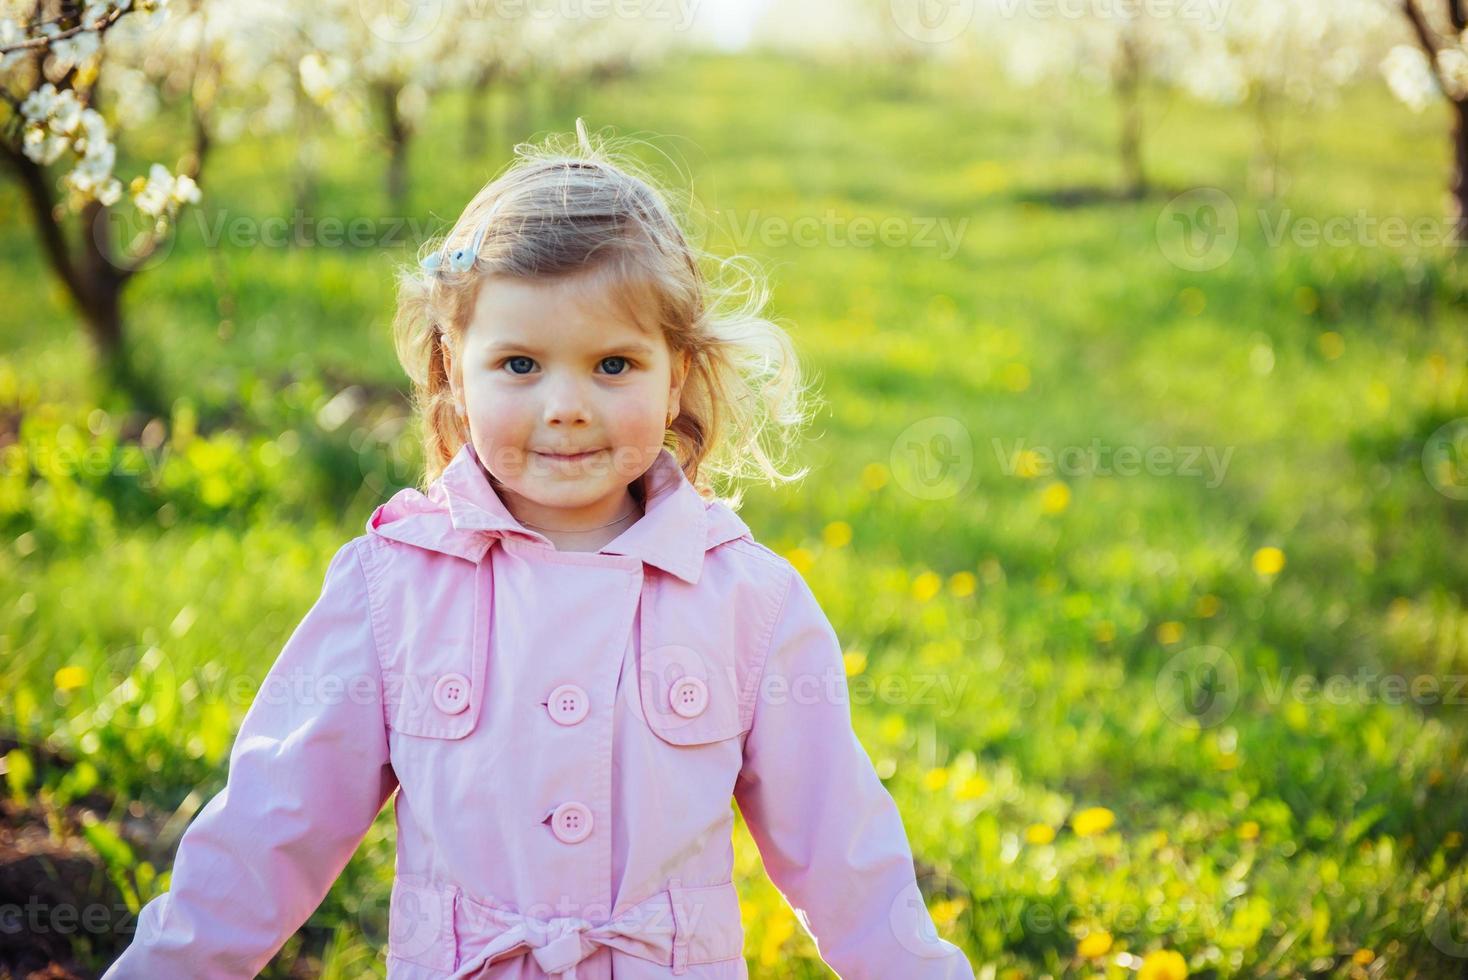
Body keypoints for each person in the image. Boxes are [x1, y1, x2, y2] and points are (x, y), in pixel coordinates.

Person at [103, 121, 976, 980]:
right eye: (520, 365)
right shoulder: (393, 589)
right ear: (454, 368)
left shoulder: (747, 602)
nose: (566, 405)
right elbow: (268, 832)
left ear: (676, 373)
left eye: (613, 366)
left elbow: (844, 857)